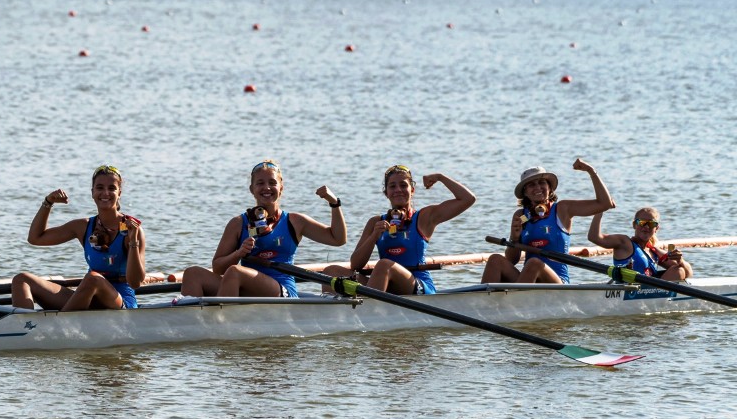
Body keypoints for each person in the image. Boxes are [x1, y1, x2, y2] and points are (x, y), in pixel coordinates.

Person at [179, 159, 347, 298]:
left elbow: (337, 239)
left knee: (235, 272)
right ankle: (190, 322)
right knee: (192, 274)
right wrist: (238, 253)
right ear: (252, 189)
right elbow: (218, 268)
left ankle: (221, 321)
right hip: (241, 285)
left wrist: (334, 203)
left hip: (281, 290)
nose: (266, 187)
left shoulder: (295, 221)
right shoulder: (237, 223)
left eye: (272, 183)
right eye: (260, 183)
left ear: (281, 188)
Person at [322, 165, 476, 295]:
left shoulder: (424, 217)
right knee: (331, 272)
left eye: (403, 185)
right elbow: (356, 265)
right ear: (386, 193)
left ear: (412, 190)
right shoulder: (375, 222)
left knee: (384, 265)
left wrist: (440, 177)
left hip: (418, 285)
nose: (398, 190)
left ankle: (370, 310)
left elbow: (468, 199)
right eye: (392, 186)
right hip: (385, 285)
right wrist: (374, 236)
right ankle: (334, 314)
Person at [11, 165, 146, 310]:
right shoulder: (83, 226)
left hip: (120, 301)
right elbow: (35, 238)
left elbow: (135, 283)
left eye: (112, 188)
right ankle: (26, 323)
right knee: (21, 280)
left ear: (119, 193)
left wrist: (133, 240)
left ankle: (61, 322)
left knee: (93, 278)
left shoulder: (132, 229)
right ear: (92, 192)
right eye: (100, 187)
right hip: (87, 296)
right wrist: (48, 202)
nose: (105, 193)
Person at [481, 158, 615, 284]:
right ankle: (482, 298)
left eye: (541, 183)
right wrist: (514, 239)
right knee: (495, 260)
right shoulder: (521, 215)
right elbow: (512, 260)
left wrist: (591, 171)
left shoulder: (563, 209)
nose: (537, 187)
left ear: (550, 188)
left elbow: (605, 203)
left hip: (556, 282)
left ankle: (516, 297)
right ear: (525, 192)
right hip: (528, 281)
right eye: (531, 185)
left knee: (534, 263)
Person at [587, 208, 692, 280]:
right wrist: (599, 211)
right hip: (628, 291)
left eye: (651, 224)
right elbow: (594, 237)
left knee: (679, 270)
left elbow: (688, 273)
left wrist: (680, 260)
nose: (646, 227)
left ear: (656, 228)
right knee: (678, 270)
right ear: (634, 225)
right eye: (641, 222)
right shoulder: (625, 243)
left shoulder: (654, 251)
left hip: (648, 292)